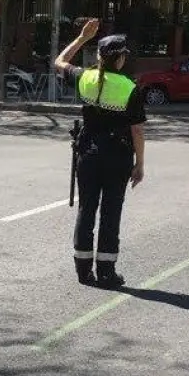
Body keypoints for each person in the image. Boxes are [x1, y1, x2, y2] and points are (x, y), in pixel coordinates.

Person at [54, 19, 146, 289]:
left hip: (88, 154)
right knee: (110, 213)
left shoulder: (86, 78)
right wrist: (140, 164)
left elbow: (59, 62)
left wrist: (82, 38)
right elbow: (137, 131)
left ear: (99, 57)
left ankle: (83, 271)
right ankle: (106, 272)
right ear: (120, 59)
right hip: (118, 157)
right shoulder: (129, 88)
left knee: (87, 209)